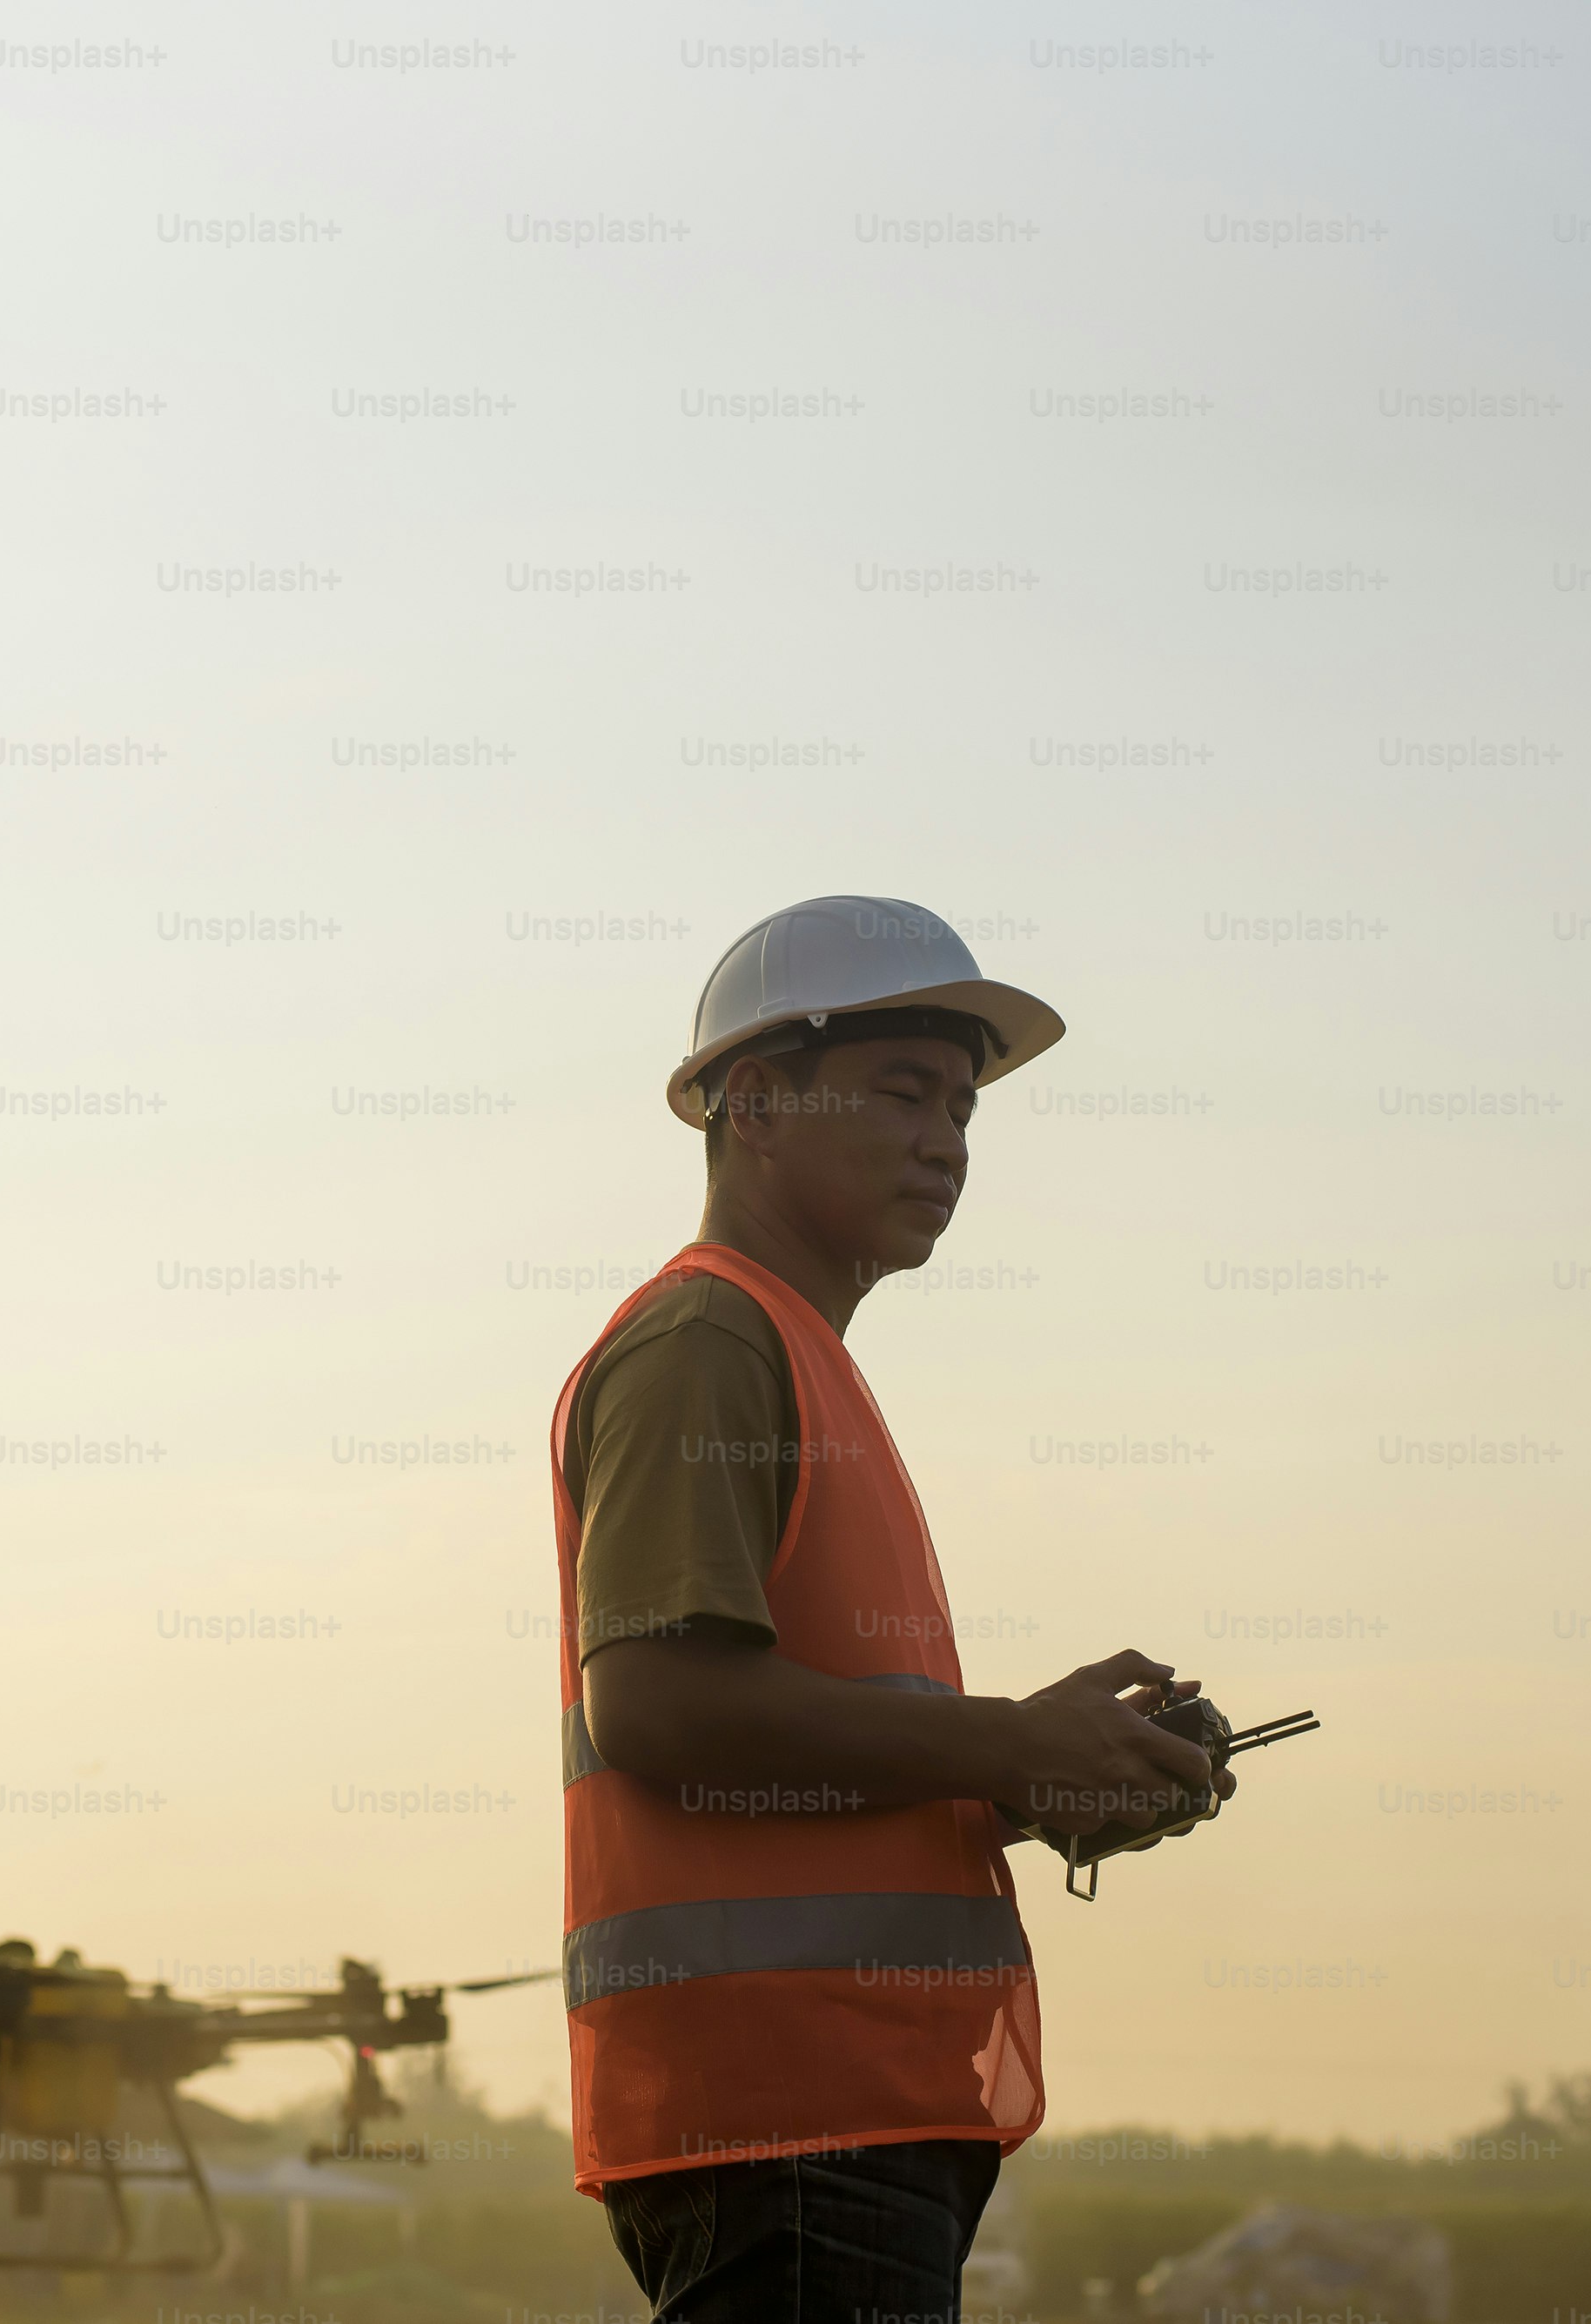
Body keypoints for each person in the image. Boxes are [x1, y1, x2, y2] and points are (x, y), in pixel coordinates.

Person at [552, 897, 1231, 2321]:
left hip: (838, 2112)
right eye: (905, 1092)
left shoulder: (792, 1351)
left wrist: (1042, 1778)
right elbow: (662, 1703)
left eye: (965, 1109)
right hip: (790, 2113)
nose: (948, 1142)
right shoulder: (708, 1338)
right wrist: (1001, 1746)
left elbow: (807, 1752)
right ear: (754, 1102)